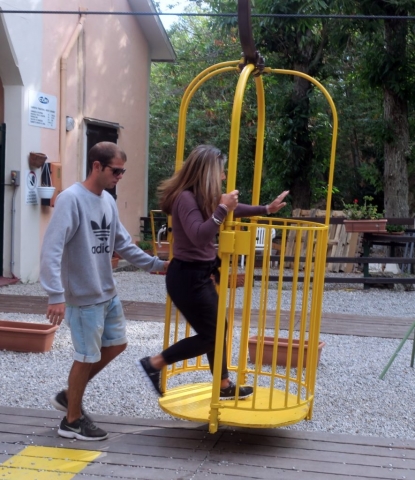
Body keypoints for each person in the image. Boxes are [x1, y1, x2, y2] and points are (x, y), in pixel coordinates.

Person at [137, 144, 289, 400]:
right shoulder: (184, 198)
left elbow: (233, 209)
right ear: (207, 171)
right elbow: (199, 235)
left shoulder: (200, 196)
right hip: (186, 278)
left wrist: (266, 209)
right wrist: (222, 209)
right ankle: (155, 363)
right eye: (220, 170)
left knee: (219, 329)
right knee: (213, 334)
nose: (223, 175)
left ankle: (224, 385)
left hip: (199, 275)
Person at [40, 141, 168, 441]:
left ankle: (69, 395)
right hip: (82, 299)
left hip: (106, 293)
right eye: (116, 171)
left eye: (123, 172)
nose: (120, 176)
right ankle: (71, 421)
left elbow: (121, 243)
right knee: (85, 357)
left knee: (117, 344)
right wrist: (56, 295)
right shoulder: (71, 199)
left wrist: (155, 264)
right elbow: (51, 249)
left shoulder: (107, 201)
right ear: (96, 166)